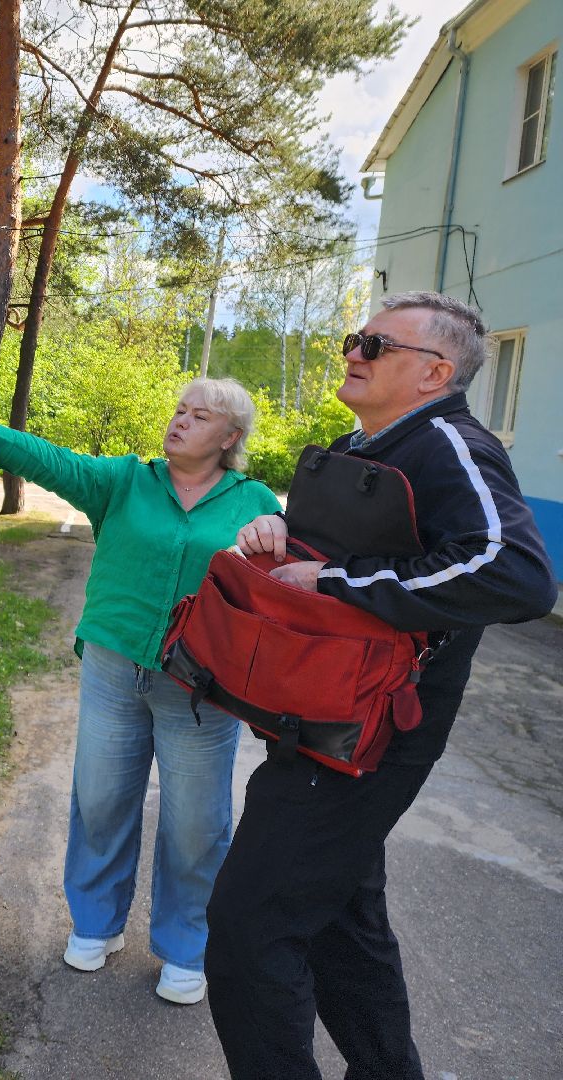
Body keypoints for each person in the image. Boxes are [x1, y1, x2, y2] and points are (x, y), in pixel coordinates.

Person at [209, 291, 557, 1079]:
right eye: (353, 338)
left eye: (375, 345)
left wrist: (336, 580)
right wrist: (280, 536)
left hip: (371, 741)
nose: (352, 353)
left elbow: (516, 573)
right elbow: (340, 554)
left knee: (248, 931)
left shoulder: (450, 445)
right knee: (341, 929)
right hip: (315, 721)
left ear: (435, 372)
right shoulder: (360, 445)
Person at [0, 377, 280, 1005]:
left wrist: (273, 539)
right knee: (99, 798)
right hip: (113, 667)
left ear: (229, 437)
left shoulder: (254, 502)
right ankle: (97, 923)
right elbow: (56, 463)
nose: (181, 421)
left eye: (200, 416)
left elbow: (280, 578)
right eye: (179, 409)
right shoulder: (126, 480)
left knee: (196, 822)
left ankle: (186, 947)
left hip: (200, 688)